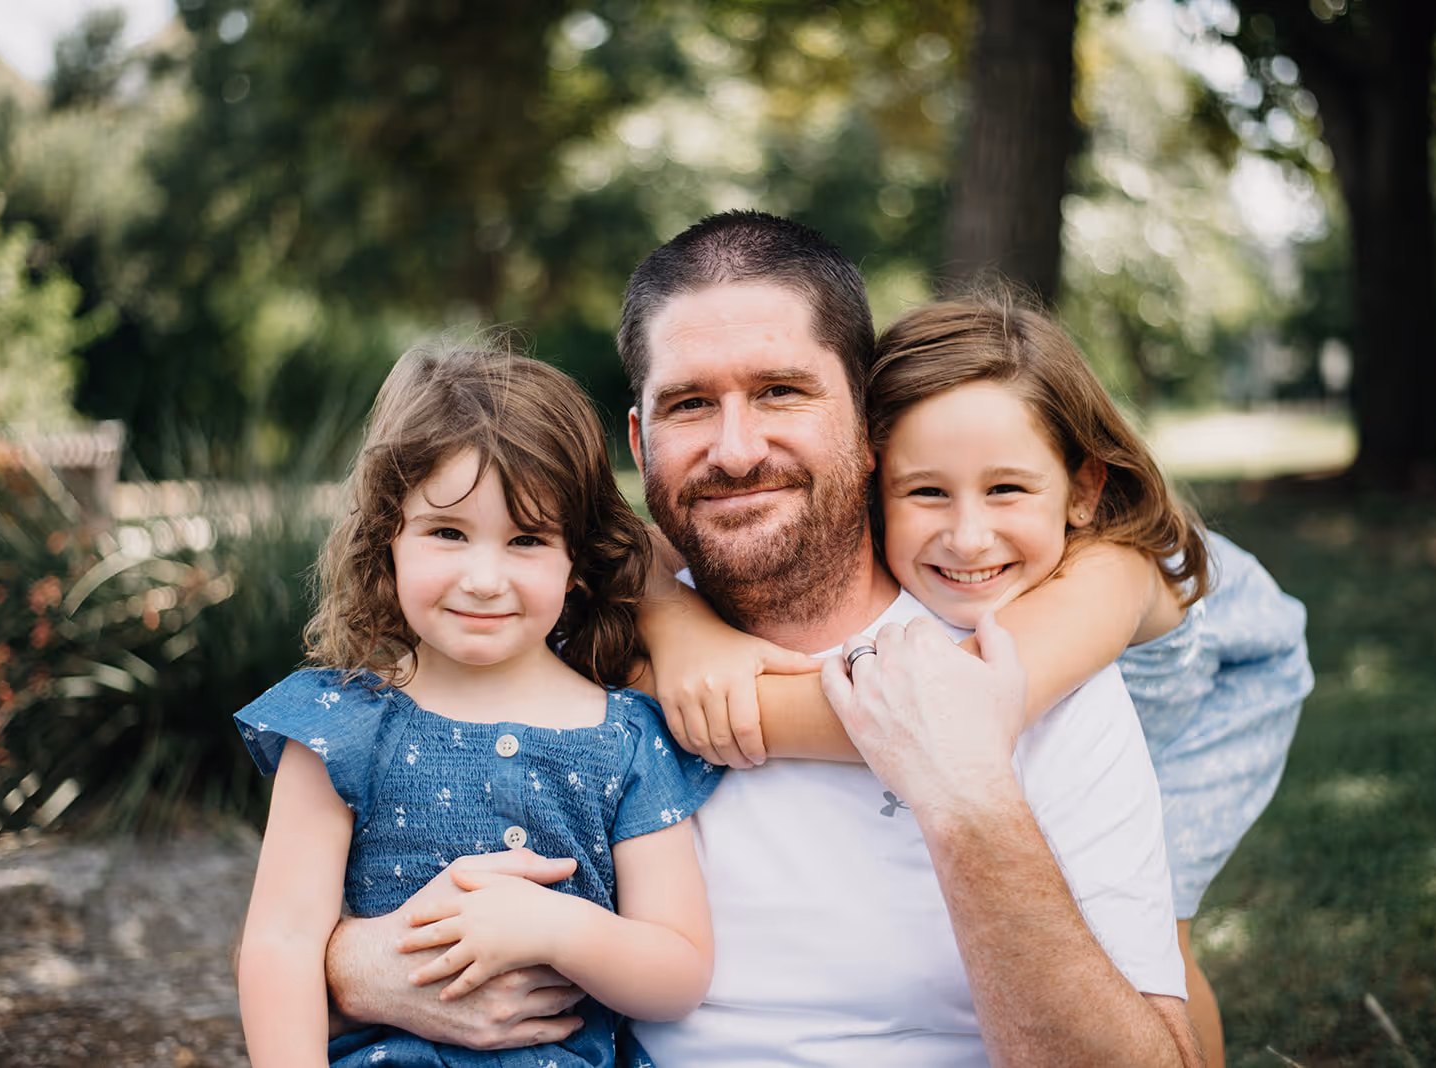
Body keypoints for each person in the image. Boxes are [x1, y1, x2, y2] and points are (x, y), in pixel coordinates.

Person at [321, 212, 1204, 1067]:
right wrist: (353, 970)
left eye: (780, 391)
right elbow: (328, 923)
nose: (737, 451)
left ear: (868, 427)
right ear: (640, 441)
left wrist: (969, 797)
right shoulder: (563, 657)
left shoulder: (1024, 666)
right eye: (690, 405)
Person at [643, 294, 1315, 1067]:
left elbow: (936, 719)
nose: (967, 536)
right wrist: (670, 617)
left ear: (1083, 491)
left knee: (1155, 931)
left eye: (1005, 490)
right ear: (867, 480)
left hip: (1215, 694)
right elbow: (642, 536)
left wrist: (691, 694)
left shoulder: (1109, 576)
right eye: (927, 491)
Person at [232, 344, 720, 1067]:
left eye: (526, 539)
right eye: (448, 534)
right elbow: (280, 943)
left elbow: (679, 968)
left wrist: (553, 928)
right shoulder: (342, 725)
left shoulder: (624, 737)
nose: (484, 578)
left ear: (575, 561)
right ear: (388, 539)